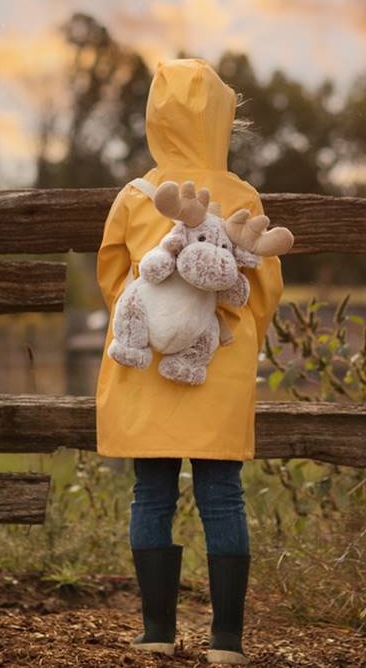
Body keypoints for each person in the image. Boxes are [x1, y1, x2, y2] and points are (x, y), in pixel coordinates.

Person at [95, 58, 285, 665]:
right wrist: (234, 327)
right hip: (218, 364)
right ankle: (226, 642)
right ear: (220, 120)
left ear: (157, 118)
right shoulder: (241, 195)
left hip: (144, 362)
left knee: (150, 493)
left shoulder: (134, 195)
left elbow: (111, 276)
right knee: (222, 493)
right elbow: (265, 288)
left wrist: (152, 326)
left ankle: (156, 632)